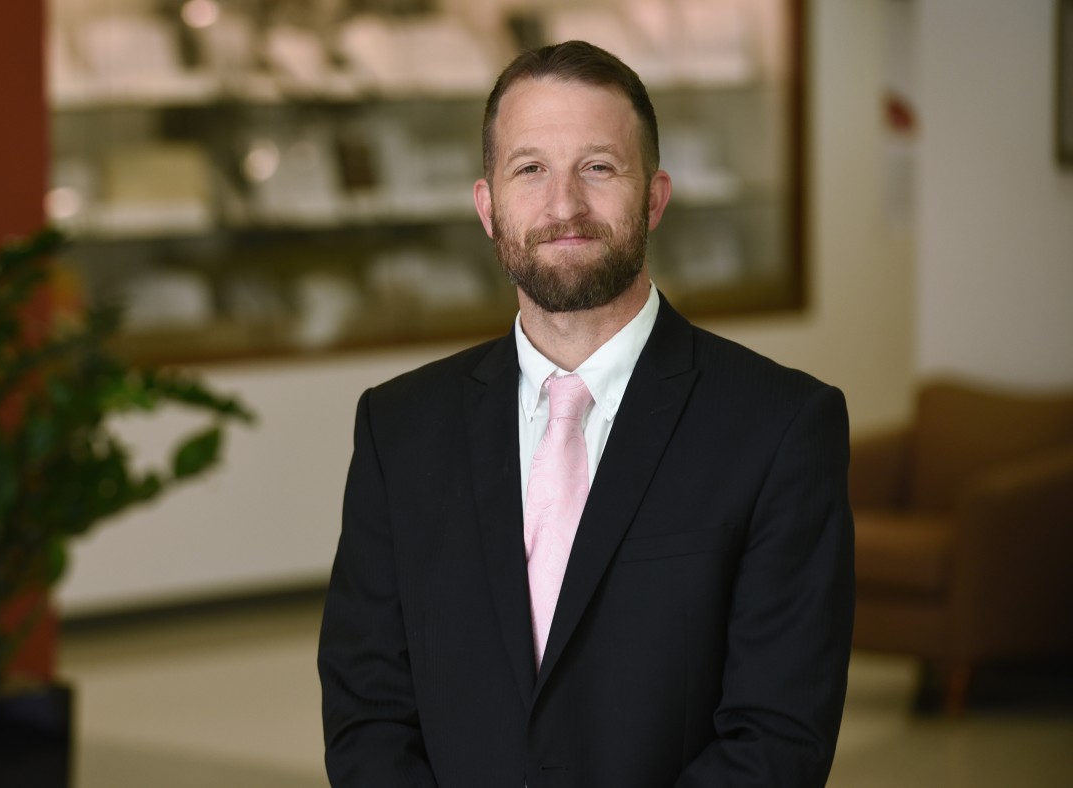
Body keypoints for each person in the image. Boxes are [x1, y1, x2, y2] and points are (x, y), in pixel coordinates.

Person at [317, 40, 854, 787]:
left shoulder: (781, 427)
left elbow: (778, 735)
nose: (564, 205)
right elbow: (367, 709)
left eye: (598, 167)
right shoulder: (399, 428)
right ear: (488, 206)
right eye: (530, 169)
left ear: (655, 198)